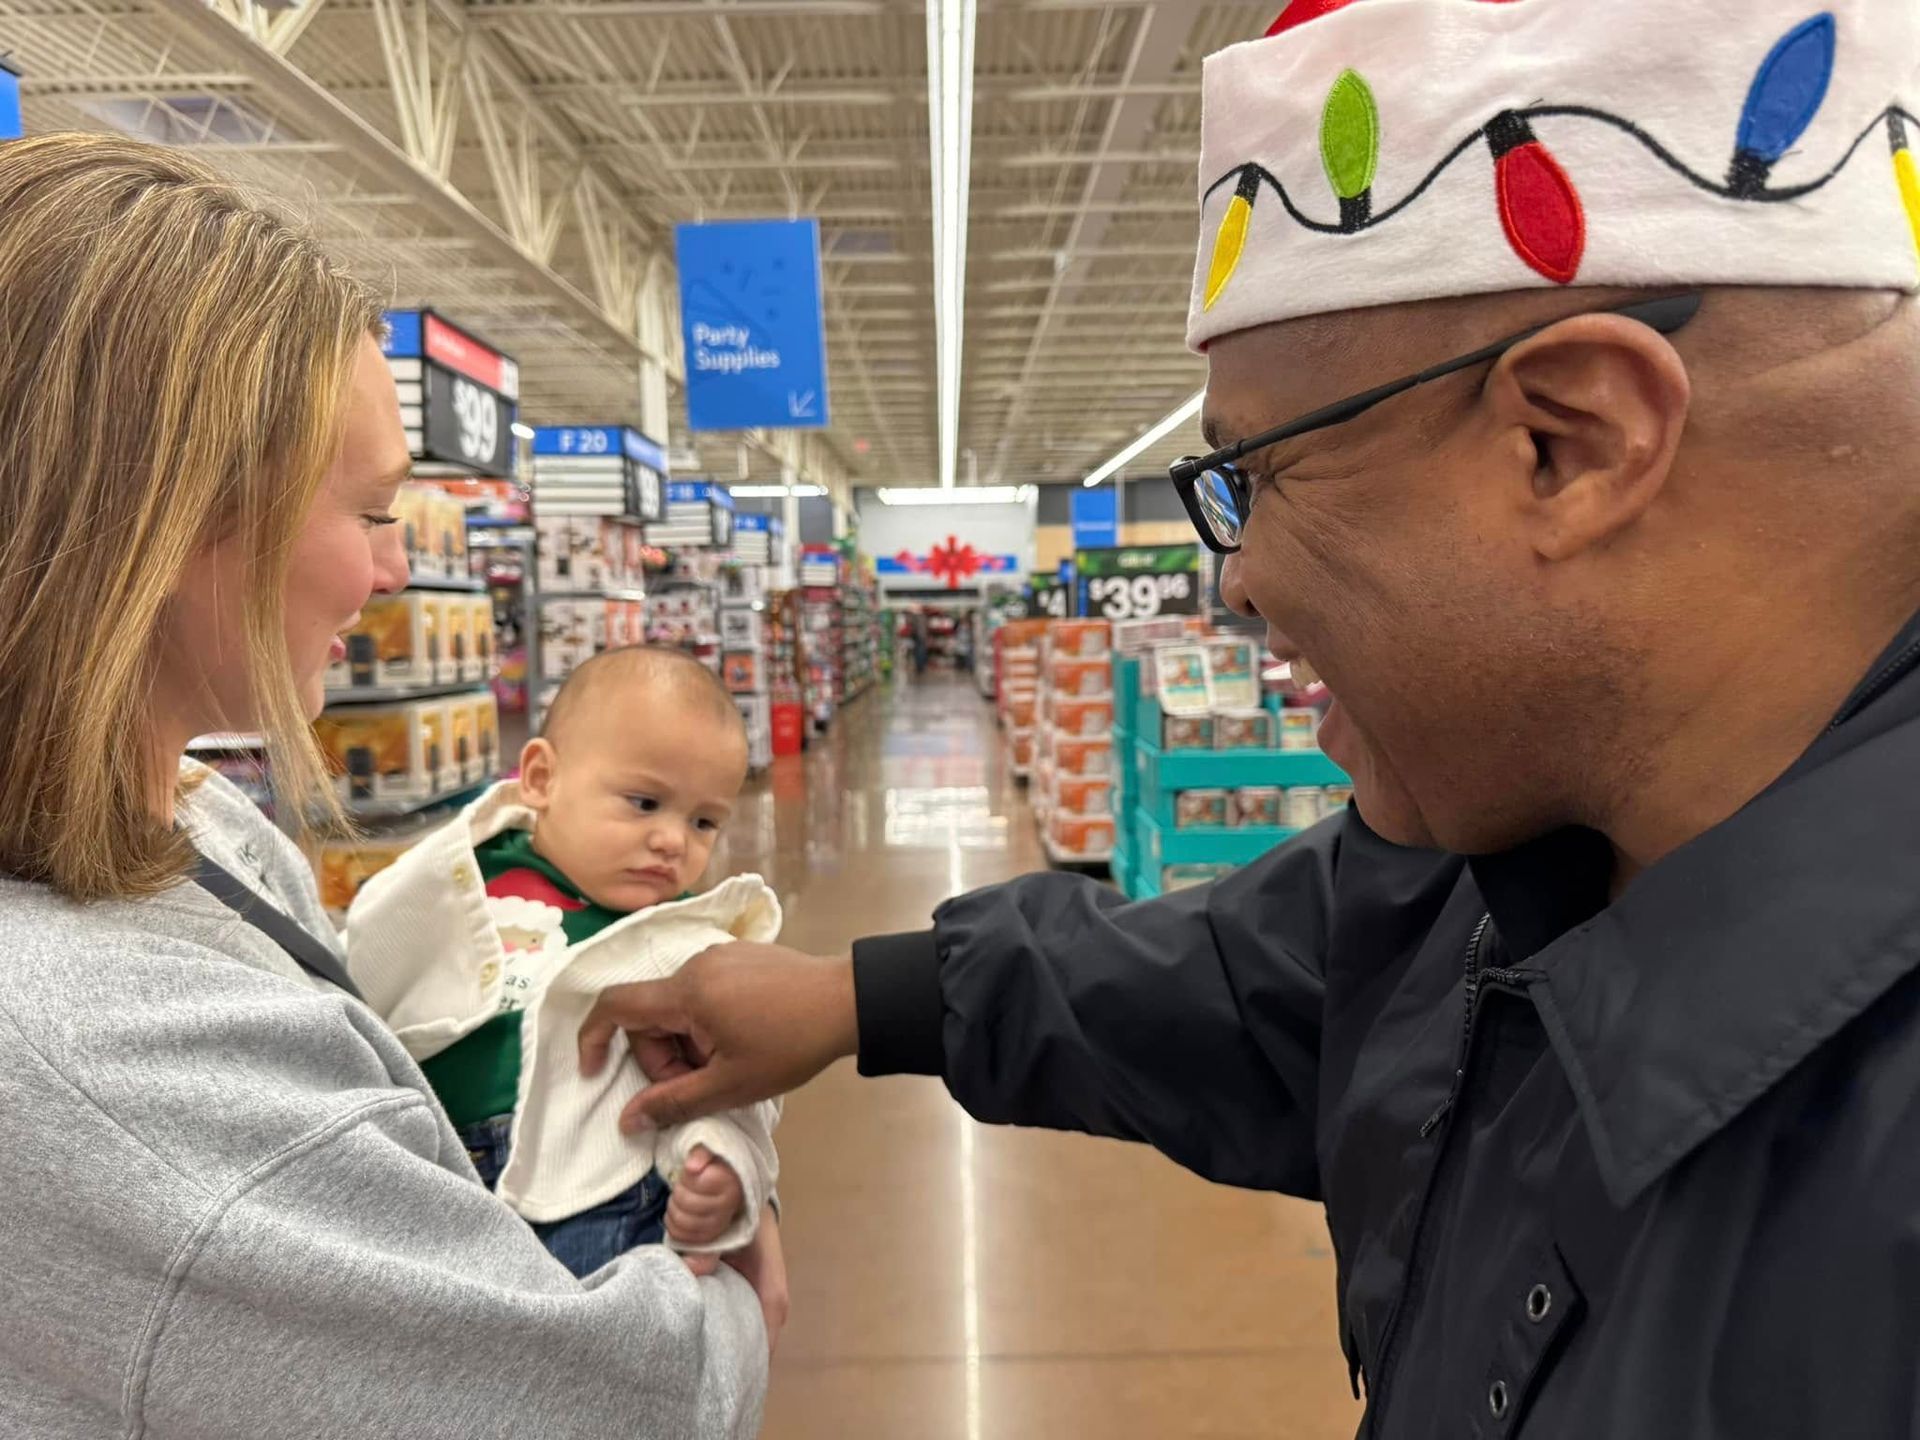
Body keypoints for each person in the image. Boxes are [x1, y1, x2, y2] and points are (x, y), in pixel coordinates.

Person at [581, 3, 1920, 1434]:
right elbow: (1248, 978)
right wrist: (856, 1001)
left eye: (1256, 475)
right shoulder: (1516, 843)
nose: (1239, 579)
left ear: (1569, 444)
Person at [0, 133, 781, 1438]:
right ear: (172, 516)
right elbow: (613, 1408)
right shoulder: (120, 1068)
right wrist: (739, 1278)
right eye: (370, 512)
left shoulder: (198, 818)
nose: (390, 575)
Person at [345, 647, 782, 1279]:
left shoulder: (691, 945)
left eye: (704, 822)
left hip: (598, 1198)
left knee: (591, 1334)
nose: (672, 840)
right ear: (542, 779)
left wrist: (720, 1160)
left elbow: (736, 1081)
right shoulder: (458, 877)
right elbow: (363, 962)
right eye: (644, 802)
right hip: (430, 1169)